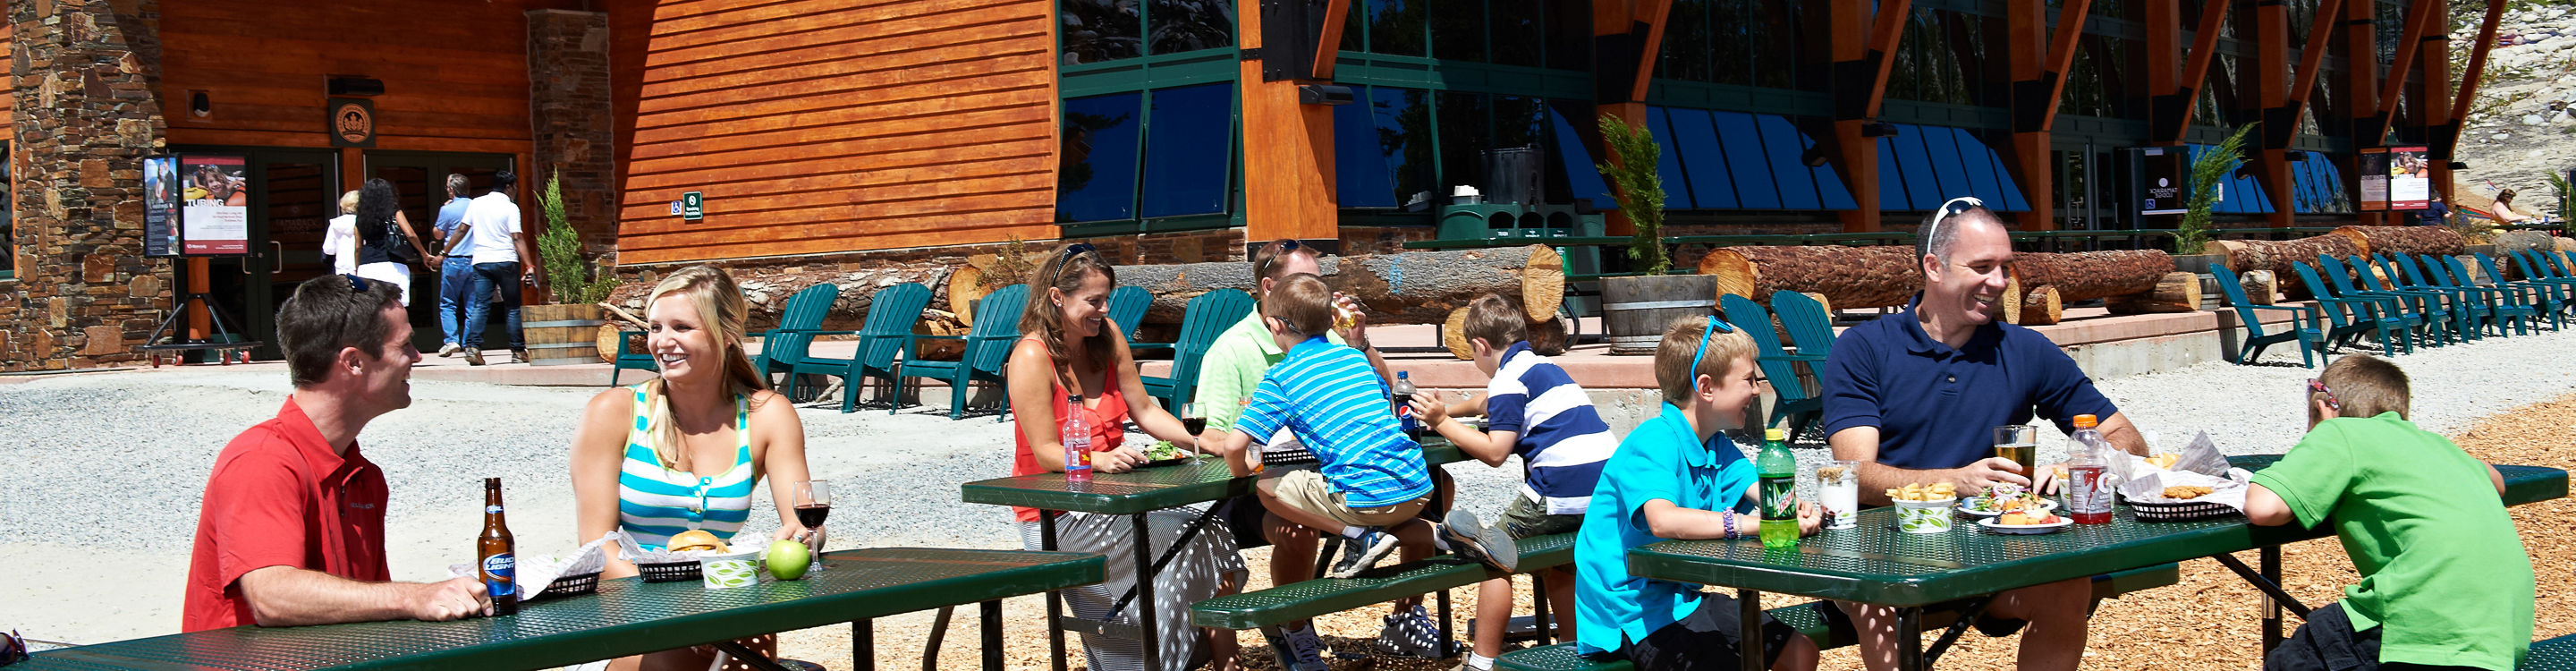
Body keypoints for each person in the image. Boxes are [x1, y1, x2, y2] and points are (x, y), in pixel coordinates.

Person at [1818, 198, 2148, 671]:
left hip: (1992, 547)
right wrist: (1955, 481)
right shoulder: (1865, 347)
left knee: (2070, 581)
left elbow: (2128, 438)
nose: (1999, 282)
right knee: (1879, 600)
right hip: (1885, 547)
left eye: (2005, 267)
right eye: (1982, 267)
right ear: (1933, 266)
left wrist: (2080, 461)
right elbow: (1854, 474)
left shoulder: (2026, 349)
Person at [182, 274, 489, 631]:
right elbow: (271, 596)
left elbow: (365, 614)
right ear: (354, 362)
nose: (417, 357)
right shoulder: (262, 460)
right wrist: (413, 596)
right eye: (404, 345)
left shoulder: (362, 475)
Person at [1190, 240, 1434, 667]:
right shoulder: (1232, 351)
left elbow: (1388, 395)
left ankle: (1400, 606)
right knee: (1296, 522)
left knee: (1277, 486)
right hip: (1276, 491)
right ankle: (1295, 624)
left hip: (1331, 483)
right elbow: (1214, 437)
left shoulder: (1311, 359)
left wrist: (1362, 341)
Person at [1004, 243, 1243, 671]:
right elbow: (1045, 452)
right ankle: (1172, 658)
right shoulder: (1029, 356)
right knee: (1193, 536)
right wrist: (1099, 459)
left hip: (1114, 502)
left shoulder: (1106, 336)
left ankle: (1218, 658)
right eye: (1093, 301)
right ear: (1057, 297)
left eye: (1106, 298)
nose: (1104, 309)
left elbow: (1146, 410)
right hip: (1057, 515)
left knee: (1207, 533)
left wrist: (1211, 441)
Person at [568, 266, 819, 671]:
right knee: (674, 660)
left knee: (748, 655)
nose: (662, 342)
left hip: (724, 607)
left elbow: (806, 521)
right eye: (654, 328)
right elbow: (598, 551)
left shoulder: (767, 415)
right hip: (627, 613)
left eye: (681, 327)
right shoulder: (613, 412)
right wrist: (685, 613)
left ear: (727, 335)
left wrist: (806, 535)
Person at [2248, 354, 2532, 671]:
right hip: (2501, 634)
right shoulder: (2435, 443)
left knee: (2292, 660)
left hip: (2423, 619)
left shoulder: (2341, 432)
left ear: (2323, 407)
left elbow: (2263, 508)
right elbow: (2498, 482)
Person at [1572, 316, 1824, 671]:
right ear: (1706, 388)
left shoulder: (1715, 444)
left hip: (1682, 602)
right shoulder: (1654, 439)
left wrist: (1793, 510)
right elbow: (1662, 519)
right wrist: (1762, 524)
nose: (1756, 390)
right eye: (1748, 380)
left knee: (1800, 652)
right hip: (1632, 615)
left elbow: (1766, 495)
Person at [1411, 293, 1614, 671]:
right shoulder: (1539, 367)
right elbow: (1486, 401)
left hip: (1559, 489)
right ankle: (1573, 650)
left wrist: (1441, 423)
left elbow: (1494, 452)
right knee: (1560, 565)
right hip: (1600, 490)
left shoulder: (1507, 380)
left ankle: (1481, 662)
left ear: (1480, 346)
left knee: (1493, 555)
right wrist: (1446, 409)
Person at [1218, 273, 1437, 576]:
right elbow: (1383, 403)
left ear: (1276, 326)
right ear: (1330, 321)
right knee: (1387, 509)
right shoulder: (1356, 359)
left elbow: (1234, 445)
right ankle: (1444, 534)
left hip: (1364, 502)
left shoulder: (1281, 377)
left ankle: (1355, 535)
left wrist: (1242, 475)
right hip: (1419, 488)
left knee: (1268, 486)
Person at [453, 170, 539, 366]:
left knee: (480, 305)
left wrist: (444, 253)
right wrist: (529, 265)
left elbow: (461, 229)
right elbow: (517, 237)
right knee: (511, 307)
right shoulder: (510, 207)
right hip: (506, 260)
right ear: (508, 187)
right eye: (515, 187)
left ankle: (473, 348)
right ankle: (518, 351)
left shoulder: (476, 203)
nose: (516, 191)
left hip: (482, 261)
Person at [352, 178, 438, 307]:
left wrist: (357, 268)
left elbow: (358, 247)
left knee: (372, 310)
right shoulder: (394, 211)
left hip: (367, 266)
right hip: (392, 264)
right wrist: (424, 254)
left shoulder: (360, 217)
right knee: (396, 308)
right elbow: (410, 234)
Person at [431, 174, 478, 357]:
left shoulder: (448, 210)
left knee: (448, 303)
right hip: (475, 259)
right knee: (472, 305)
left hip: (454, 259)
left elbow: (438, 235)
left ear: (451, 190)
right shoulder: (476, 206)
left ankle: (451, 340)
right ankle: (469, 342)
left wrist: (443, 209)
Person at [321, 191, 361, 276]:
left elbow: (328, 249)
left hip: (341, 270)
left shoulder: (335, 224)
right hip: (360, 269)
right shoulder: (361, 223)